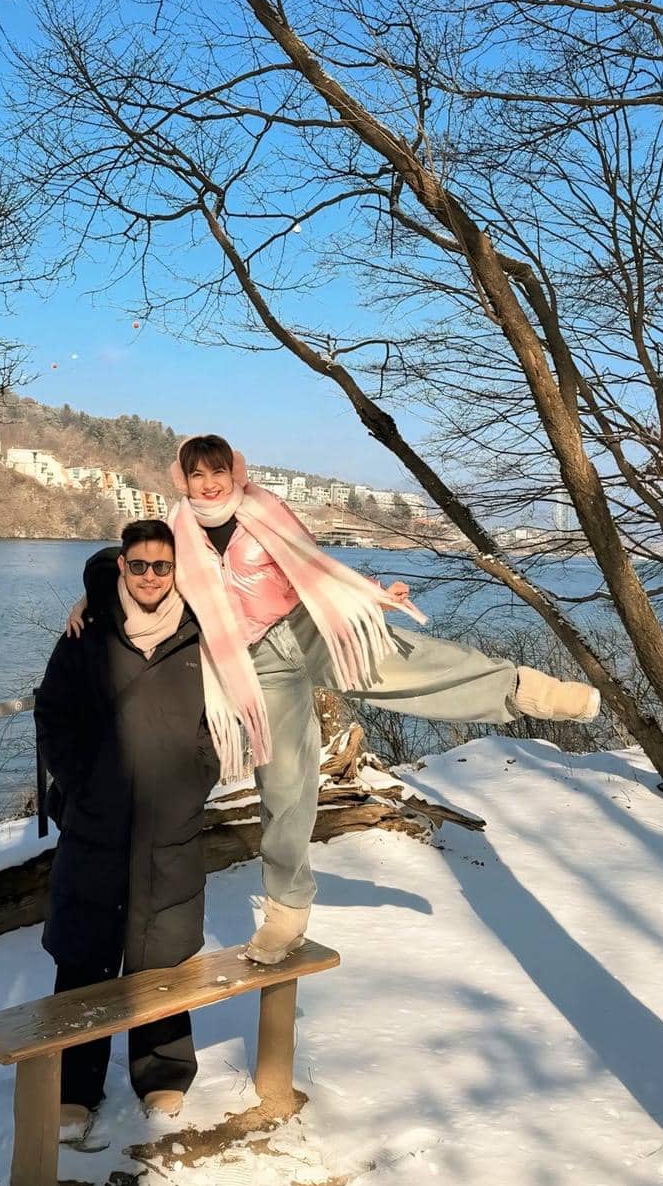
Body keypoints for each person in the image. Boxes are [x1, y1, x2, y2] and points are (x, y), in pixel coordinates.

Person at [68, 436, 599, 967]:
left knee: (409, 662)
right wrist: (92, 597)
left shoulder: (265, 508)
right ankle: (287, 911)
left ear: (234, 473)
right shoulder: (177, 530)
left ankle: (526, 690)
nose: (209, 484)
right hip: (255, 665)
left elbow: (314, 563)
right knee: (284, 790)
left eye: (217, 472)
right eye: (197, 475)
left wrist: (371, 594)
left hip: (311, 629)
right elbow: (139, 564)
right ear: (183, 480)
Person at [36, 519, 219, 1139]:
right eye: (138, 565)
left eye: (162, 566)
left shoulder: (201, 631)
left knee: (161, 953)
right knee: (84, 953)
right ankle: (74, 1086)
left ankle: (163, 1071)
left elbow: (225, 715)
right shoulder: (87, 631)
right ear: (121, 566)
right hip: (96, 820)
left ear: (176, 570)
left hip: (170, 820)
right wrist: (80, 783)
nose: (149, 577)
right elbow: (52, 711)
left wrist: (197, 776)